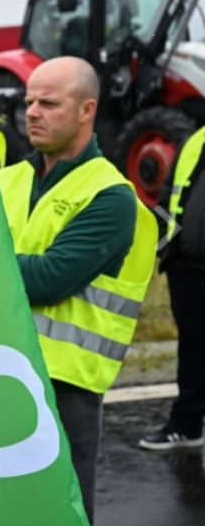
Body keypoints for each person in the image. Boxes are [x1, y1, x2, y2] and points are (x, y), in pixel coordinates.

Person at [0, 56, 156, 522]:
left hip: (64, 388)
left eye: (49, 102)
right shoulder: (6, 180)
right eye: (29, 101)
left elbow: (51, 280)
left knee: (56, 510)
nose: (32, 112)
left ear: (87, 110)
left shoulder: (110, 195)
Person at [140, 123, 205, 450]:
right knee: (193, 350)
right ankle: (187, 424)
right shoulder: (195, 139)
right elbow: (169, 194)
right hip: (188, 270)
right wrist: (168, 248)